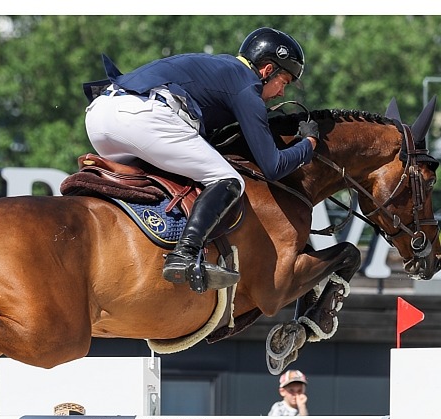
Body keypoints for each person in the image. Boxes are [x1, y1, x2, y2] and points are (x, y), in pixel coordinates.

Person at [83, 27, 317, 293]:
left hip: (99, 116)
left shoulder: (221, 68)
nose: (282, 93)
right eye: (284, 81)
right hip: (140, 117)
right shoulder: (246, 85)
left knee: (166, 180)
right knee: (228, 179)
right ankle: (185, 253)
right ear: (267, 70)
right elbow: (273, 167)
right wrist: (308, 145)